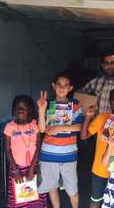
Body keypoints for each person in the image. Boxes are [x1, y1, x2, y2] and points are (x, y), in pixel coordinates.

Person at [37, 71, 83, 208]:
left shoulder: (75, 104)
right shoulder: (47, 103)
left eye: (65, 85)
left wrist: (59, 128)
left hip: (68, 155)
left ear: (70, 88)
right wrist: (41, 109)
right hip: (48, 154)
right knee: (52, 187)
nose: (62, 88)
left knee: (72, 189)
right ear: (53, 86)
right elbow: (41, 129)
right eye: (59, 84)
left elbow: (79, 126)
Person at [80, 88, 114, 208]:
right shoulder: (102, 117)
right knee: (96, 201)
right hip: (100, 170)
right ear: (109, 102)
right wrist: (88, 117)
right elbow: (83, 136)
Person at [4, 95, 48, 208]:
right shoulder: (9, 127)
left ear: (30, 110)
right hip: (17, 168)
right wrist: (16, 171)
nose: (20, 110)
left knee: (35, 197)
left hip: (33, 167)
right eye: (17, 107)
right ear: (13, 109)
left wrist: (32, 169)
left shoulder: (35, 125)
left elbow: (38, 147)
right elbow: (7, 151)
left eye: (23, 107)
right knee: (20, 198)